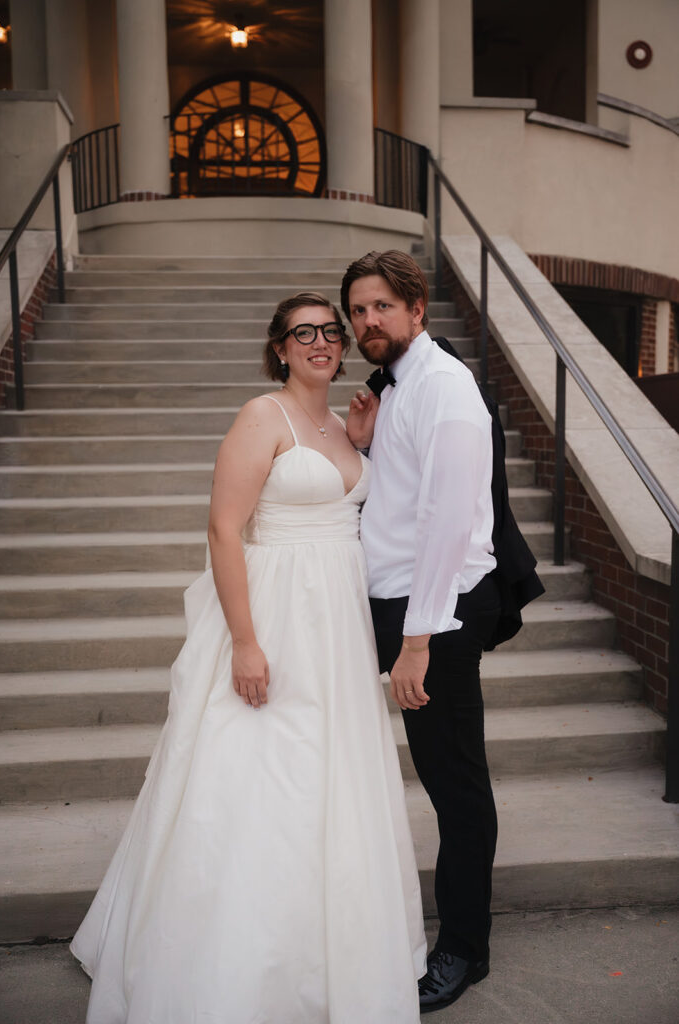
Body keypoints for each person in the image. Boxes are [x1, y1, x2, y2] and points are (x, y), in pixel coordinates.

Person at [70, 291, 426, 1023]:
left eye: (332, 330)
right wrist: (244, 642)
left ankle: (327, 956)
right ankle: (228, 967)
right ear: (279, 347)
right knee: (262, 780)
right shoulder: (261, 416)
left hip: (336, 627)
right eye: (305, 333)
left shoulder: (339, 422)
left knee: (329, 784)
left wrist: (358, 445)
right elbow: (224, 529)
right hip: (276, 618)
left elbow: (348, 512)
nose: (323, 341)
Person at [343, 251, 501, 1015]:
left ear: (416, 310)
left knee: (454, 783)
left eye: (381, 307)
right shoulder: (395, 391)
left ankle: (465, 947)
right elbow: (405, 500)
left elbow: (446, 525)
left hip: (432, 616)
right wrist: (369, 445)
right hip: (388, 603)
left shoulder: (445, 389)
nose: (367, 322)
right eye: (358, 311)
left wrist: (417, 642)